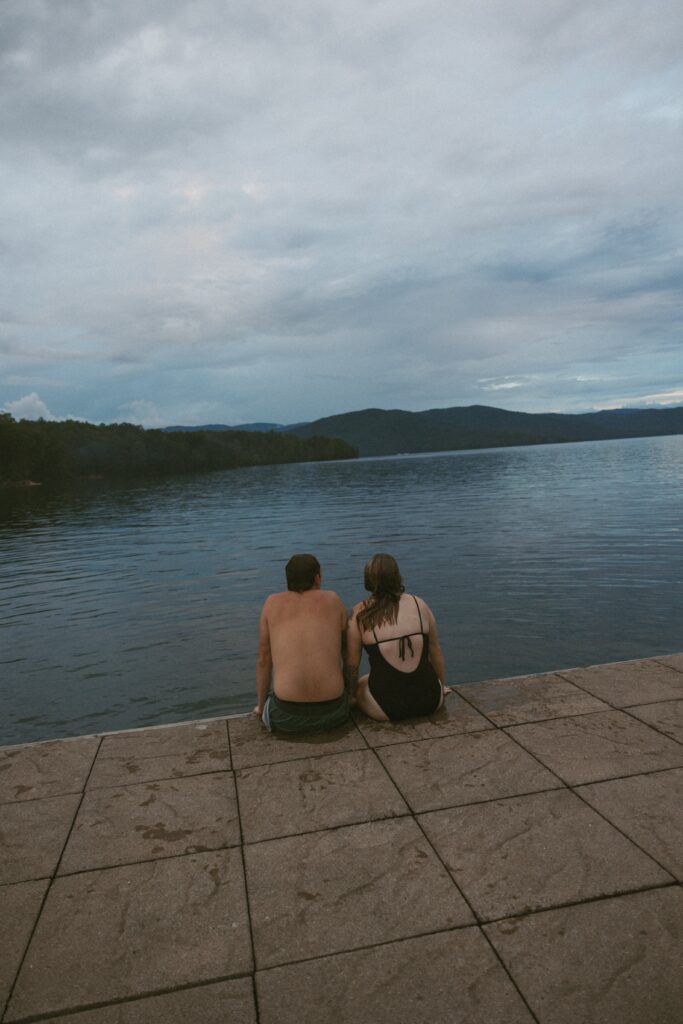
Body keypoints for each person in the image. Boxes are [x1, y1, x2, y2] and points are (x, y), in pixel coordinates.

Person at [345, 553, 449, 721]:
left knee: (362, 682)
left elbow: (352, 666)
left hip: (387, 708)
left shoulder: (359, 613)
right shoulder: (418, 603)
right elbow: (435, 651)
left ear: (368, 579)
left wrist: (350, 698)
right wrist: (441, 688)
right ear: (397, 576)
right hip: (431, 700)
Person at [255, 553, 350, 734]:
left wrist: (261, 707)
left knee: (272, 696)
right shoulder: (333, 600)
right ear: (317, 578)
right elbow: (347, 649)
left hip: (286, 716)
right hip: (334, 713)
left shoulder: (272, 603)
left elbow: (263, 659)